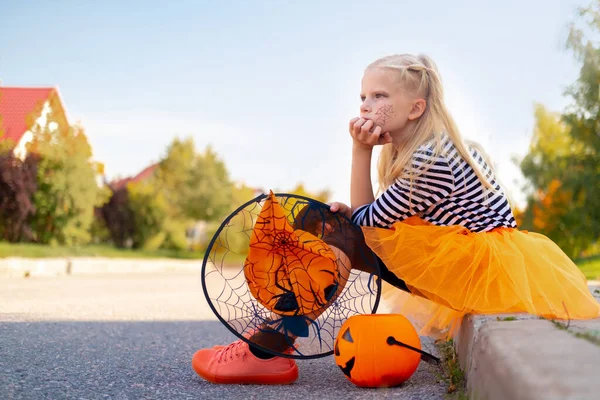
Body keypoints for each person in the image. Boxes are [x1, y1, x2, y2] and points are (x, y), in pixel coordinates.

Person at [192, 53, 600, 385]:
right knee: (325, 222)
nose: (366, 106)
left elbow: (369, 226)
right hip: (471, 255)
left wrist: (359, 152)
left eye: (379, 96)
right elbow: (375, 216)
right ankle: (277, 337)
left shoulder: (432, 159)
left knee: (340, 234)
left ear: (415, 107)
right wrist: (351, 216)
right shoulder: (428, 147)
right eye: (363, 97)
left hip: (478, 266)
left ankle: (267, 351)